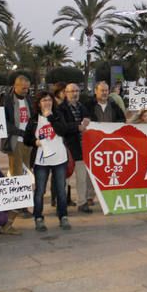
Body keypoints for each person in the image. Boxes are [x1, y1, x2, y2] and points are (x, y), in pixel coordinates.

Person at [24, 91, 71, 231]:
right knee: (39, 191)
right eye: (44, 100)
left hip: (59, 159)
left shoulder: (57, 115)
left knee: (61, 190)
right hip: (41, 161)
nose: (47, 102)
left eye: (49, 100)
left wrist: (51, 117)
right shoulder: (33, 119)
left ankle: (63, 216)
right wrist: (35, 142)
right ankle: (38, 217)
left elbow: (63, 131)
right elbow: (27, 139)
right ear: (39, 103)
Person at [57, 83, 91, 212]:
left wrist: (88, 121)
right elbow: (62, 127)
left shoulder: (83, 107)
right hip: (66, 149)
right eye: (71, 91)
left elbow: (89, 123)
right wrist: (77, 126)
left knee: (82, 178)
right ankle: (62, 205)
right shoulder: (60, 109)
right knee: (64, 179)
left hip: (82, 148)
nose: (75, 94)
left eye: (77, 91)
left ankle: (82, 203)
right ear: (65, 93)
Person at [1, 75, 33, 178]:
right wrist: (20, 132)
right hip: (15, 140)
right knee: (16, 171)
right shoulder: (7, 100)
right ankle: (16, 192)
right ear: (16, 86)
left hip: (28, 141)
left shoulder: (29, 99)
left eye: (28, 88)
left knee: (28, 169)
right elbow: (3, 121)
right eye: (24, 88)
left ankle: (27, 192)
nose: (26, 90)